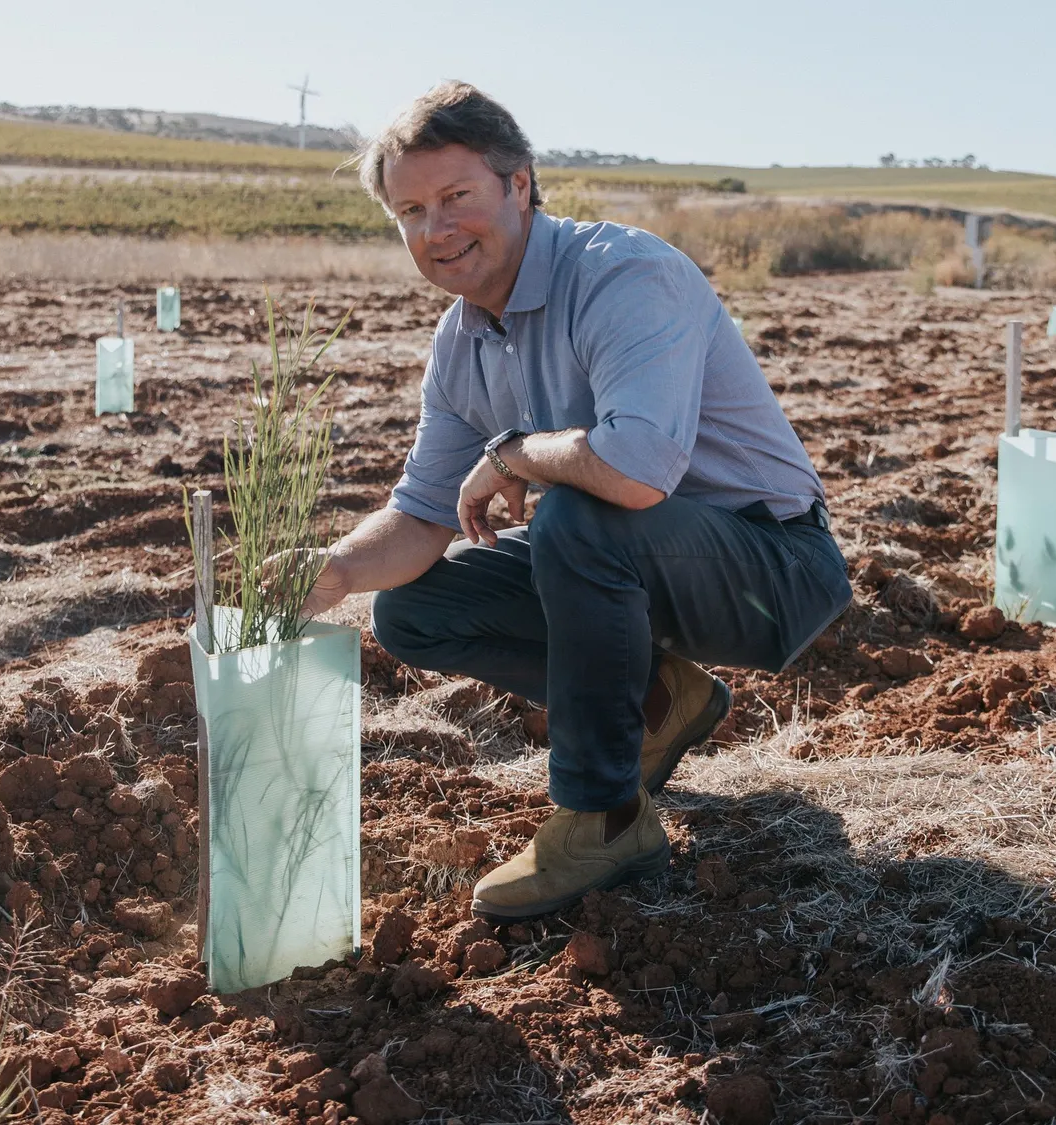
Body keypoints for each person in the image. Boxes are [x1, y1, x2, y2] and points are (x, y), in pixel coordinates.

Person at [296, 81, 850, 920]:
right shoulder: (461, 341)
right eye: (411, 211)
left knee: (576, 513)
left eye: (456, 197)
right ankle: (663, 697)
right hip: (641, 560)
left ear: (519, 185)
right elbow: (421, 515)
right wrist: (333, 573)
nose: (436, 230)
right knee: (410, 609)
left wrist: (515, 453)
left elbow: (634, 473)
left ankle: (605, 816)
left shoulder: (622, 274)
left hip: (771, 567)